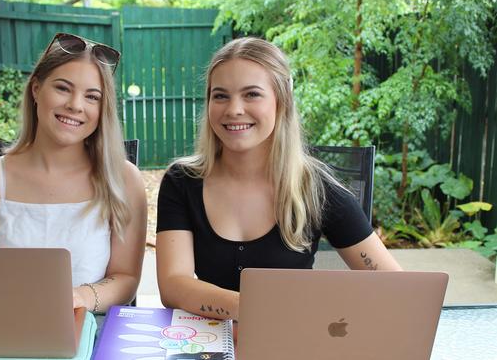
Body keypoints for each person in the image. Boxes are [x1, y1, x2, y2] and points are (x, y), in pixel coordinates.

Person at [156, 37, 402, 321]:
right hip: (208, 345)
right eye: (220, 95)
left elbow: (394, 288)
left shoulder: (316, 188)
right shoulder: (182, 180)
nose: (234, 109)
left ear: (281, 103)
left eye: (252, 94)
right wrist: (255, 308)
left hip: (293, 341)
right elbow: (173, 286)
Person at [0, 33, 147, 313]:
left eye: (92, 96)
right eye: (63, 88)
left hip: (87, 333)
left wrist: (80, 298)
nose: (76, 105)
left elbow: (126, 279)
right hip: (3, 330)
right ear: (36, 89)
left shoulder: (124, 179)